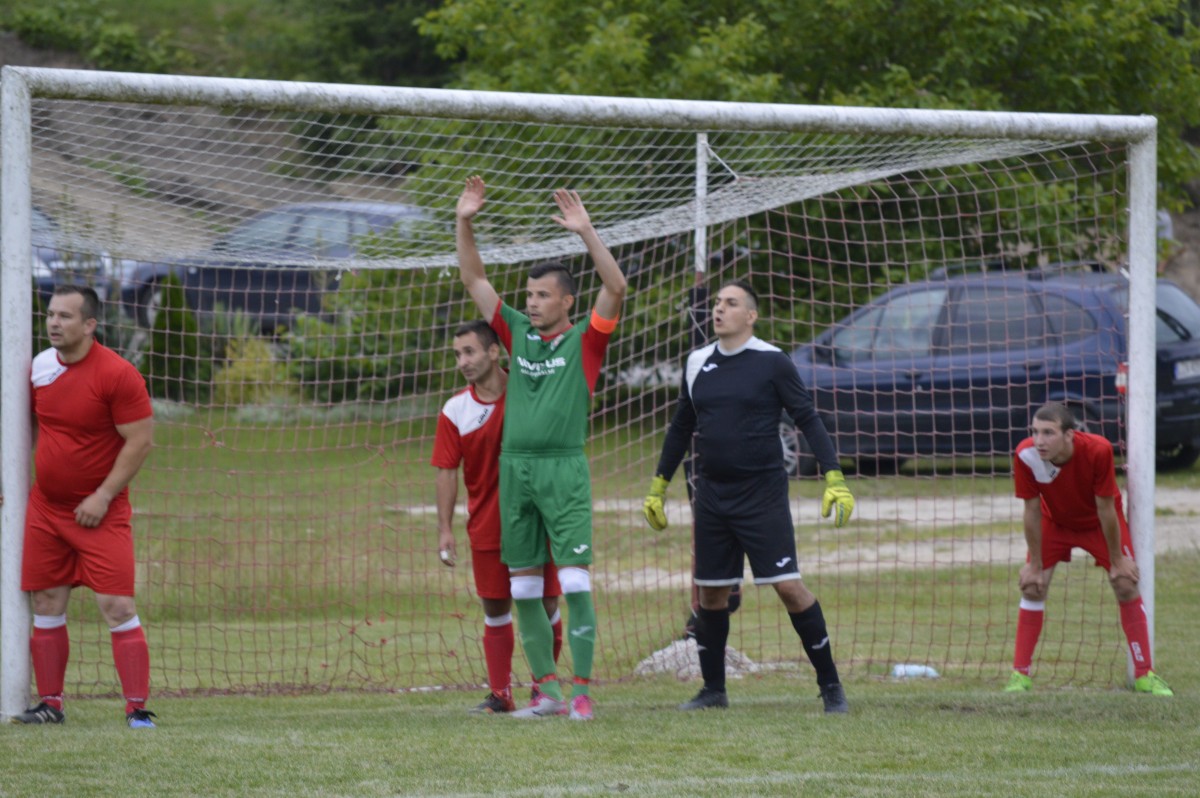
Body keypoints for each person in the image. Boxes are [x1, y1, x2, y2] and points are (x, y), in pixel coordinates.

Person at [455, 175, 626, 721]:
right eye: (528, 295)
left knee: (572, 581)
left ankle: (582, 692)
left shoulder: (586, 340)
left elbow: (616, 286)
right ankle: (547, 694)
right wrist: (463, 221)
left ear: (566, 301)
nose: (531, 303)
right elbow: (474, 277)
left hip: (562, 470)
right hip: (516, 472)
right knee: (524, 587)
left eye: (542, 295)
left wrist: (586, 232)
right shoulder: (515, 333)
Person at [642, 280, 855, 714]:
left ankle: (831, 687)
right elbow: (681, 426)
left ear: (751, 316)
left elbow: (807, 417)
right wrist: (658, 485)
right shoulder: (697, 362)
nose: (719, 309)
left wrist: (834, 475)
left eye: (731, 303)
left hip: (762, 496)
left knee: (788, 587)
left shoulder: (772, 361)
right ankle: (713, 691)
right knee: (711, 595)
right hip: (712, 495)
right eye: (717, 303)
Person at [13, 285, 157, 728]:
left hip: (101, 512)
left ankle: (137, 710)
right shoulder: (39, 367)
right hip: (46, 509)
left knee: (117, 606)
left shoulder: (119, 375)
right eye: (51, 315)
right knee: (47, 601)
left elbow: (140, 441)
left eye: (65, 316)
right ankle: (50, 704)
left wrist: (103, 495)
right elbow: (27, 427)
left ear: (90, 324)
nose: (54, 323)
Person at [431, 319, 564, 714]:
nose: (462, 361)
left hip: (537, 520)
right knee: (495, 607)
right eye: (457, 354)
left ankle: (544, 688)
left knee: (546, 602)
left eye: (469, 351)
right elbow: (445, 470)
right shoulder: (456, 409)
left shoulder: (530, 391)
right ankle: (500, 693)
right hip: (488, 524)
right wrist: (444, 530)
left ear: (494, 351)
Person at [1005, 402, 1173, 695]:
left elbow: (1105, 508)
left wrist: (1117, 560)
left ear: (1069, 434)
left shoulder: (1098, 449)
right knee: (1032, 586)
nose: (1039, 440)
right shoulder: (1025, 454)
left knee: (1125, 583)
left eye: (1048, 433)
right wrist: (1034, 564)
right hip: (1054, 522)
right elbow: (1031, 510)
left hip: (1098, 523)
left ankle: (1145, 674)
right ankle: (1020, 675)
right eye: (1035, 432)